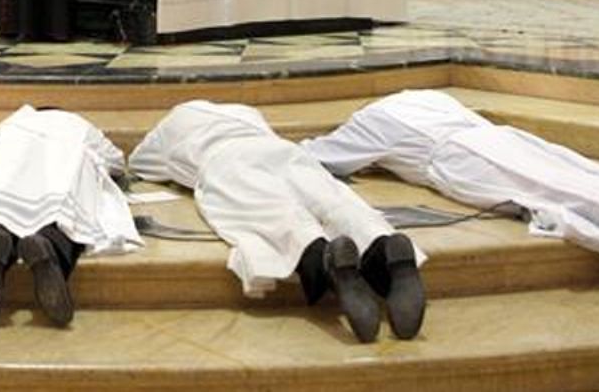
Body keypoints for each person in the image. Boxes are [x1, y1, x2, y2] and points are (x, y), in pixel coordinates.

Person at [301, 90, 599, 299]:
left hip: (463, 158)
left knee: (557, 197)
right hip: (499, 136)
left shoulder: (368, 122)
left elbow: (319, 157)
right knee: (581, 175)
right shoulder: (425, 96)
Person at [130, 101, 426, 342]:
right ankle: (382, 245)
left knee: (278, 216)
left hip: (225, 160)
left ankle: (321, 256)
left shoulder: (171, 124)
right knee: (334, 202)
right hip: (283, 150)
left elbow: (139, 162)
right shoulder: (246, 112)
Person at [0, 106, 142, 328]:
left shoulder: (11, 122)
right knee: (65, 219)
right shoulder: (76, 122)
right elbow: (116, 161)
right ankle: (49, 242)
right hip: (61, 168)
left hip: (8, 166)